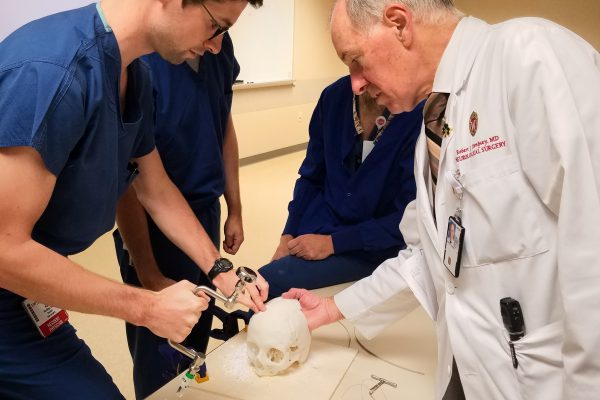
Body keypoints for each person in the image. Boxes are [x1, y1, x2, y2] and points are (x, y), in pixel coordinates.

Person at [284, 1, 600, 399]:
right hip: (470, 368)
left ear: (399, 23)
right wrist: (331, 310)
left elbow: (593, 241)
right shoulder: (434, 124)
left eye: (356, 60)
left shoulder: (528, 57)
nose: (356, 83)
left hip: (546, 380)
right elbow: (426, 256)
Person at [0, 1, 267, 398]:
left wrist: (221, 269)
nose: (215, 47)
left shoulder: (131, 75)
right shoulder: (53, 72)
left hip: (26, 297)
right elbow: (4, 248)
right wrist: (145, 306)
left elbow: (155, 189)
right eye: (215, 26)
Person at [113, 29, 254, 398]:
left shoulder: (218, 51)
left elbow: (222, 125)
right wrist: (148, 272)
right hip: (148, 229)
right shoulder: (138, 62)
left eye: (227, 28)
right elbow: (132, 181)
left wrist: (233, 209)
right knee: (159, 352)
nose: (218, 42)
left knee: (196, 337)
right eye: (214, 25)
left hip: (201, 216)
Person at [260, 75, 423, 298]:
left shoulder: (416, 113)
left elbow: (408, 217)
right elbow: (311, 176)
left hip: (372, 244)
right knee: (263, 282)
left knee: (269, 281)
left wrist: (334, 244)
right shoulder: (334, 97)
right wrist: (287, 235)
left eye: (361, 59)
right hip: (321, 226)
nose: (357, 82)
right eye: (348, 60)